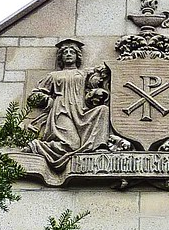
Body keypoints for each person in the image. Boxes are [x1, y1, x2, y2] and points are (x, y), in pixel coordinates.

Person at [26, 39, 111, 169]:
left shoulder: (84, 74)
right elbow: (34, 96)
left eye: (72, 52)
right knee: (72, 145)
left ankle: (100, 146)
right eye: (65, 52)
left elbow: (89, 94)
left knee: (103, 109)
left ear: (77, 56)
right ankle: (37, 146)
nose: (69, 54)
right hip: (61, 111)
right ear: (61, 57)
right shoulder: (54, 76)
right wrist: (48, 101)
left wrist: (95, 94)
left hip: (81, 110)